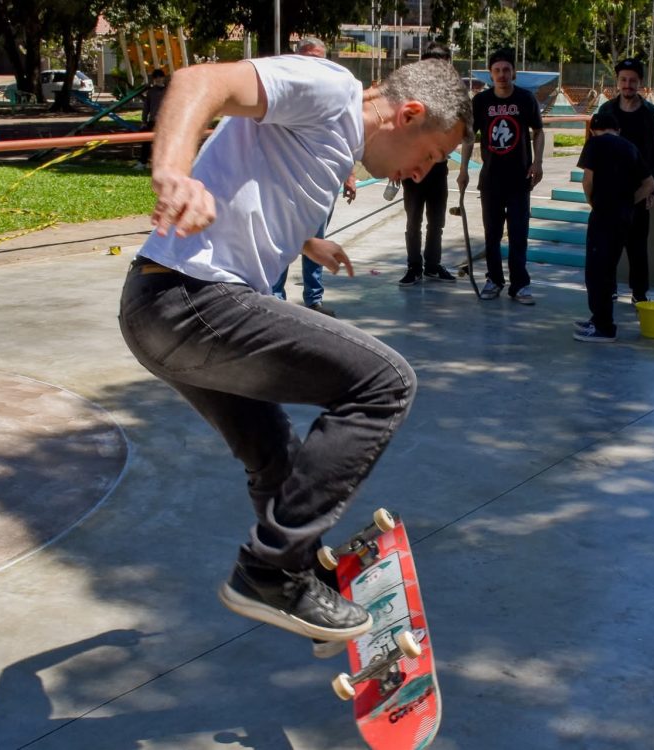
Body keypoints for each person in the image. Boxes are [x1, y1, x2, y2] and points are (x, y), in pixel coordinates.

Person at [119, 56, 469, 647]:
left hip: (159, 312)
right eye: (431, 155)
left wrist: (308, 242)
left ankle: (295, 587)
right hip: (190, 298)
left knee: (276, 457)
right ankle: (271, 572)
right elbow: (201, 81)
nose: (419, 174)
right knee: (384, 383)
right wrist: (172, 173)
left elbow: (258, 180)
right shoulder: (332, 90)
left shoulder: (332, 144)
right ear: (409, 114)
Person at [458, 48, 544, 304]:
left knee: (518, 233)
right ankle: (494, 279)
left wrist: (538, 163)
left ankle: (520, 285)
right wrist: (463, 170)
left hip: (519, 179)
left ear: (514, 73)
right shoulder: (481, 101)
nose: (502, 74)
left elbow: (538, 131)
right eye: (497, 70)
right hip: (491, 180)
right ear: (491, 74)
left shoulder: (525, 99)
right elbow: (469, 137)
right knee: (492, 234)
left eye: (506, 70)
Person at [270, 36, 347, 316]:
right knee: (283, 240)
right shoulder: (285, 93)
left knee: (317, 240)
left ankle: (314, 300)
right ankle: (275, 299)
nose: (315, 65)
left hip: (322, 185)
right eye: (309, 58)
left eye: (319, 59)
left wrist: (349, 175)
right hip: (289, 183)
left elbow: (344, 138)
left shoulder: (333, 97)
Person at [574, 112, 654, 342]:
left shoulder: (595, 144)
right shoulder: (630, 147)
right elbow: (649, 183)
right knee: (608, 266)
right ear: (618, 130)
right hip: (624, 217)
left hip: (603, 215)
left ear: (593, 131)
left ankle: (604, 326)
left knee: (596, 271)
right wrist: (629, 202)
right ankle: (599, 319)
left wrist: (593, 201)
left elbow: (587, 180)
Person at [595, 58, 654, 304]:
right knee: (609, 244)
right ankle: (609, 288)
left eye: (632, 80)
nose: (627, 84)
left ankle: (639, 293)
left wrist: (652, 187)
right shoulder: (606, 111)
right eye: (623, 79)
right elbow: (597, 149)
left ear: (640, 82)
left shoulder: (650, 113)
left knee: (637, 245)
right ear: (617, 82)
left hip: (638, 188)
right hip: (611, 189)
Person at [399, 42, 455, 287]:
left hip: (438, 168)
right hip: (412, 168)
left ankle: (432, 264)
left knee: (437, 221)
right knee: (414, 221)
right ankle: (414, 266)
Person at [135, 68, 168, 170]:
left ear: (163, 78)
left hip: (166, 122)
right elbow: (146, 108)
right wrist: (144, 121)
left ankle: (165, 164)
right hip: (153, 120)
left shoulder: (169, 90)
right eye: (156, 77)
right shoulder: (151, 92)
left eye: (160, 77)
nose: (158, 79)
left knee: (165, 143)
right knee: (146, 141)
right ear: (154, 79)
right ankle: (143, 162)